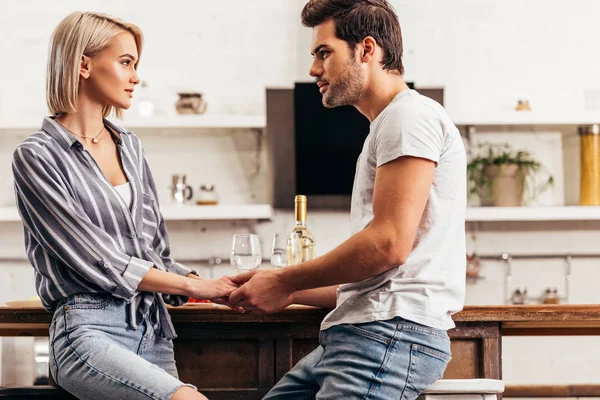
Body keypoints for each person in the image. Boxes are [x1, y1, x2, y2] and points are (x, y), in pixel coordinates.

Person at [228, 1, 467, 399]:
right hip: (363, 333)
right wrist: (282, 289)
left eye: (324, 53)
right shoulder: (387, 126)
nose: (313, 69)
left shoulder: (409, 118)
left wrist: (284, 278)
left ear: (366, 50)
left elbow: (387, 246)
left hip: (387, 335)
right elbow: (375, 275)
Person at [11, 11, 238, 400]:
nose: (136, 77)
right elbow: (96, 259)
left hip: (152, 328)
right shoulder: (36, 156)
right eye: (125, 62)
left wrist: (219, 287)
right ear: (83, 64)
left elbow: (155, 254)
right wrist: (193, 283)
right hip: (88, 329)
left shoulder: (129, 146)